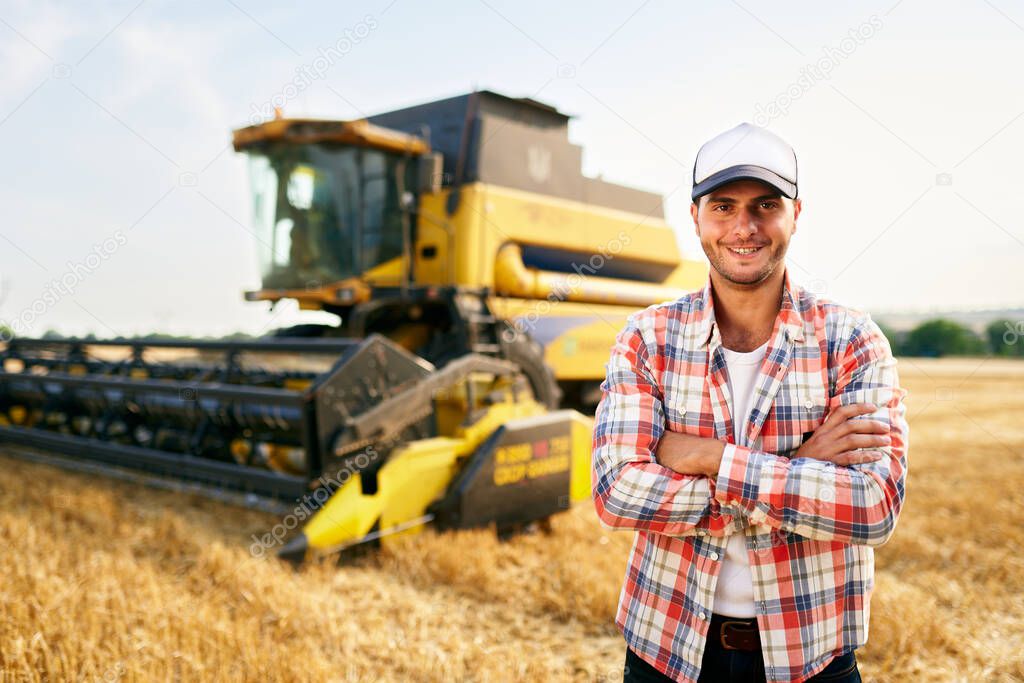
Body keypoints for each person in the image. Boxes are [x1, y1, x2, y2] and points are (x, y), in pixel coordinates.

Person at [591, 122, 909, 683]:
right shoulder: (647, 338)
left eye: (765, 205)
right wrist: (802, 468)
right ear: (695, 217)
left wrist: (712, 459)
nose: (744, 227)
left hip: (811, 656)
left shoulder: (852, 341)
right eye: (723, 206)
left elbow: (873, 508)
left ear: (795, 213)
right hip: (666, 650)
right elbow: (617, 494)